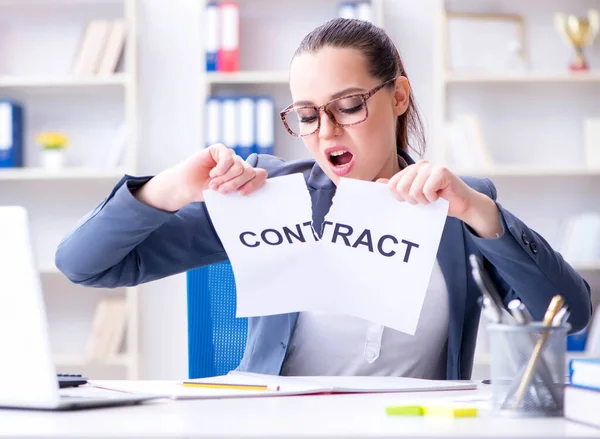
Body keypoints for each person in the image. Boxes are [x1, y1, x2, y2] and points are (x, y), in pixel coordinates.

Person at [55, 18, 592, 380]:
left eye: (349, 105)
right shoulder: (268, 196)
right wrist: (169, 188)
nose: (327, 132)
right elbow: (83, 265)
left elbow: (572, 317)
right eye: (308, 115)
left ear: (398, 97)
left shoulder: (456, 207)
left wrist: (480, 212)